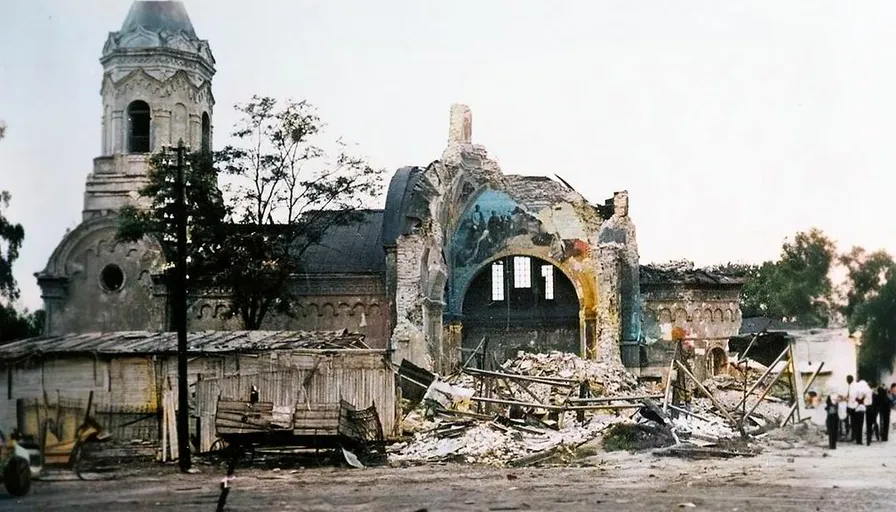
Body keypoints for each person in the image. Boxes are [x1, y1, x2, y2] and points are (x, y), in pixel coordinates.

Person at [846, 375, 857, 441]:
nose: (847, 381)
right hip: (854, 406)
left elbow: (849, 396)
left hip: (852, 407)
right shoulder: (852, 386)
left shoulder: (851, 387)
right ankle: (854, 435)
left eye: (847, 380)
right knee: (854, 422)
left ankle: (853, 436)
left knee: (853, 422)